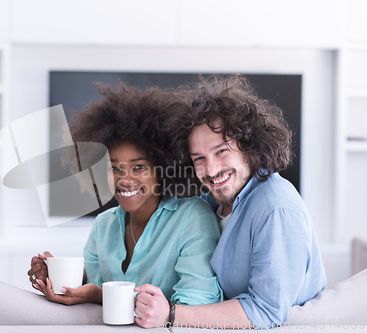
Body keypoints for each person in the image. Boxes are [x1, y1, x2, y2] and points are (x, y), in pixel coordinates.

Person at [135, 75, 327, 329]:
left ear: (249, 146)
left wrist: (171, 314)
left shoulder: (276, 207)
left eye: (221, 151)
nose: (211, 169)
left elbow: (266, 311)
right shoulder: (211, 203)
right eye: (199, 158)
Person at [27, 83, 223, 321]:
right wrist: (59, 280)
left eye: (139, 167)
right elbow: (96, 302)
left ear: (162, 169)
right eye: (113, 168)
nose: (125, 179)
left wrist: (99, 295)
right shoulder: (103, 225)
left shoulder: (193, 217)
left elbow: (197, 302)